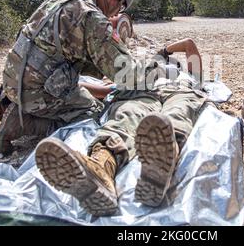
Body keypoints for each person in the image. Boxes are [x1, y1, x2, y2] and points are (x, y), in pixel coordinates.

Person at [0, 0, 140, 155]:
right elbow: (127, 73)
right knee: (94, 115)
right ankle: (24, 124)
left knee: (70, 86)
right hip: (35, 92)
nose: (117, 13)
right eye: (121, 7)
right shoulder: (91, 17)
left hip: (12, 81)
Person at [35, 38, 208, 216]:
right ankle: (100, 170)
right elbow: (106, 91)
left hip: (180, 93)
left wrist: (164, 51)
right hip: (142, 94)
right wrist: (70, 86)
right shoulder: (142, 74)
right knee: (126, 117)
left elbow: (189, 44)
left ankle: (160, 168)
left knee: (174, 115)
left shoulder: (190, 77)